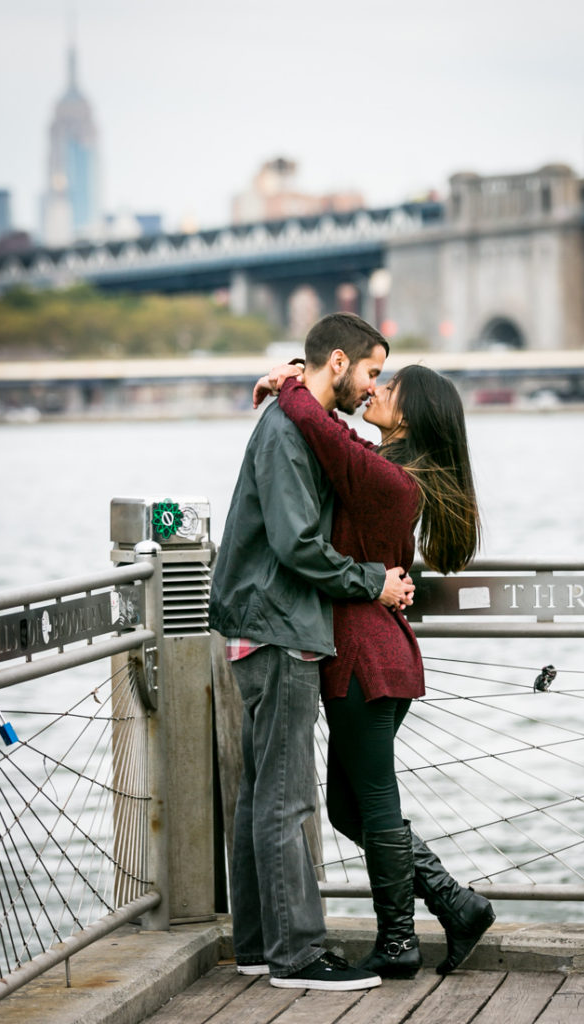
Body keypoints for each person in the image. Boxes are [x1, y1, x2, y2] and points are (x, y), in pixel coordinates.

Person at [254, 361, 496, 979]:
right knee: (348, 810)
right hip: (373, 652)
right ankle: (453, 901)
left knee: (377, 806)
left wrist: (289, 385)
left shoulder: (390, 480)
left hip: (367, 655)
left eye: (386, 389)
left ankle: (398, 942)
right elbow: (336, 437)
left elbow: (322, 430)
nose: (373, 390)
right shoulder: (386, 468)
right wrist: (294, 390)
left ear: (409, 415)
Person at [208, 313, 415, 992]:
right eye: (371, 373)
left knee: (258, 794)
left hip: (264, 620)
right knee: (287, 797)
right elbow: (299, 545)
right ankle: (297, 956)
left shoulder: (291, 425)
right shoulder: (286, 433)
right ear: (336, 362)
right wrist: (374, 583)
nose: (371, 387)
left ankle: (257, 946)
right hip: (281, 624)